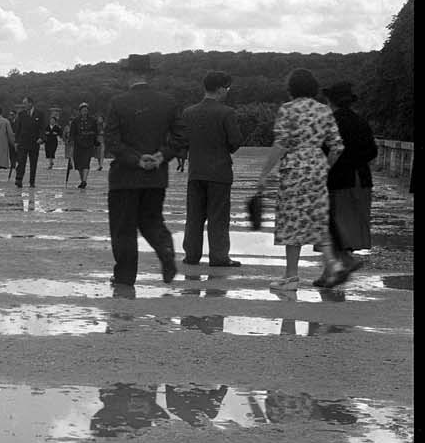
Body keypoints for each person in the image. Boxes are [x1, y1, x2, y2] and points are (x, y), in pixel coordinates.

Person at [253, 69, 345, 291]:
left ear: (291, 88)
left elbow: (281, 143)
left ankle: (291, 276)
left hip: (294, 169)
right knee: (317, 218)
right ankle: (333, 263)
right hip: (317, 167)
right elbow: (337, 147)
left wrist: (265, 173)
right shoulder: (324, 110)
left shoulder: (288, 109)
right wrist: (324, 166)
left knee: (291, 220)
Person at [103, 53, 186, 289]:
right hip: (155, 177)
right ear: (148, 75)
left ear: (129, 74)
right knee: (152, 221)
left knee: (123, 228)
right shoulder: (168, 102)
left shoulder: (118, 103)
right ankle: (165, 248)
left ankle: (125, 277)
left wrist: (137, 160)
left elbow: (111, 141)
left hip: (125, 177)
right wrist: (161, 156)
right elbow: (182, 136)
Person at [181, 71, 244, 268]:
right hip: (219, 172)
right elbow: (235, 142)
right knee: (218, 217)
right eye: (227, 88)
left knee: (194, 216)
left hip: (196, 171)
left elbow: (183, 141)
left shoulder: (188, 112)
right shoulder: (227, 112)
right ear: (219, 89)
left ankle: (191, 255)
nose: (227, 91)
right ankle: (219, 257)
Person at [322, 81, 378, 276]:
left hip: (338, 179)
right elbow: (372, 151)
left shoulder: (330, 122)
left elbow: (325, 151)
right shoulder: (361, 121)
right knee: (350, 223)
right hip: (361, 178)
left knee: (334, 223)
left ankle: (341, 263)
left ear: (331, 101)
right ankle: (332, 269)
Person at [11, 95, 46, 187]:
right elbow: (18, 128)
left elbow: (42, 127)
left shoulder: (39, 114)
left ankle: (32, 181)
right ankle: (19, 179)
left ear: (31, 103)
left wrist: (41, 138)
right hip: (23, 142)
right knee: (21, 162)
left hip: (35, 142)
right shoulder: (21, 114)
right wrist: (16, 142)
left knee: (33, 163)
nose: (24, 105)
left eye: (25, 103)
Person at [67, 103, 97, 188]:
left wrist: (94, 138)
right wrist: (71, 141)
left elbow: (95, 132)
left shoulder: (93, 120)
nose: (85, 112)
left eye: (86, 110)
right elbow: (72, 133)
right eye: (83, 110)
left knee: (86, 162)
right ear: (80, 111)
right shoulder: (75, 121)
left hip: (88, 144)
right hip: (78, 144)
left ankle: (84, 180)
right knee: (79, 165)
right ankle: (82, 180)